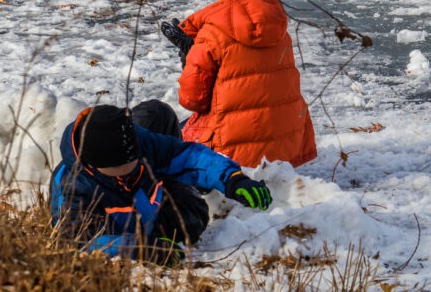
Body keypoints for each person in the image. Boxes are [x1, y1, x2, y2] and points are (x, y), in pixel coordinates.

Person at [49, 101, 272, 265]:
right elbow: (75, 243)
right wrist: (141, 248)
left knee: (193, 216)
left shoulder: (142, 142)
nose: (129, 172)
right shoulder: (71, 186)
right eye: (119, 171)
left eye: (133, 164)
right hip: (117, 230)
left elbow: (188, 156)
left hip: (149, 203)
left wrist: (232, 179)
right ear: (94, 166)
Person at [160, 0, 317, 168]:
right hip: (285, 150)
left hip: (231, 156)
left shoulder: (212, 33)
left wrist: (188, 58)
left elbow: (192, 100)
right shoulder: (278, 29)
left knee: (162, 131)